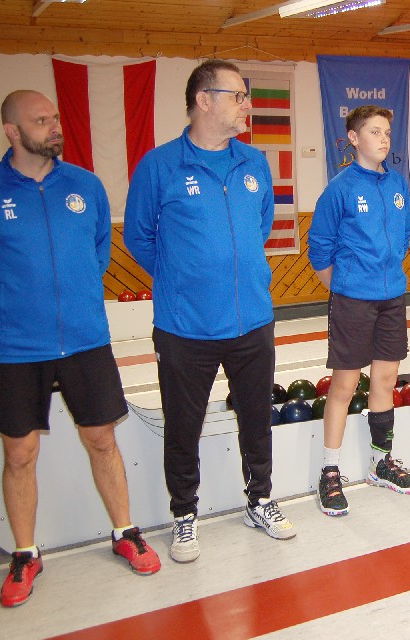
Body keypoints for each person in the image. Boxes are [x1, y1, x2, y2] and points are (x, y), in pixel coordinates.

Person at [0, 90, 160, 608]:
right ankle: (25, 553)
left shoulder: (84, 187)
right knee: (19, 453)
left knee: (103, 440)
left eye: (54, 118)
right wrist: (14, 307)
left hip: (85, 340)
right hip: (18, 347)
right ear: (11, 131)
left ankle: (125, 532)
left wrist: (73, 299)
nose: (53, 126)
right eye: (40, 120)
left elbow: (97, 252)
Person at [124, 60, 294, 563]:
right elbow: (138, 237)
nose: (247, 105)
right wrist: (182, 275)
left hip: (252, 321)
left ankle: (259, 500)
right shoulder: (159, 166)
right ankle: (184, 514)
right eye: (238, 96)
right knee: (183, 425)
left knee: (256, 418)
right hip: (185, 327)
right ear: (204, 100)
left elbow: (260, 226)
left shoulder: (254, 163)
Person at [308, 105, 410, 516]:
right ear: (354, 139)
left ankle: (380, 461)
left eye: (387, 132)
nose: (385, 139)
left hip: (391, 296)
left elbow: (406, 231)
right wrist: (343, 288)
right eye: (375, 131)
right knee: (344, 383)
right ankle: (330, 470)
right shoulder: (339, 189)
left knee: (386, 378)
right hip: (353, 298)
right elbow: (319, 249)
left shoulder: (398, 184)